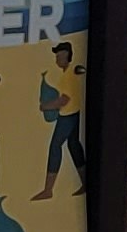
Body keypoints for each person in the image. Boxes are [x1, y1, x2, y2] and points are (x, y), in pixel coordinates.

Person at [36, 41, 89, 196]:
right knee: (74, 145)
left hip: (67, 115)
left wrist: (46, 106)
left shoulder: (68, 76)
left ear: (66, 55)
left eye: (58, 56)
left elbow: (64, 100)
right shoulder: (69, 73)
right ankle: (85, 183)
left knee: (55, 146)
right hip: (74, 113)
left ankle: (48, 190)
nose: (56, 59)